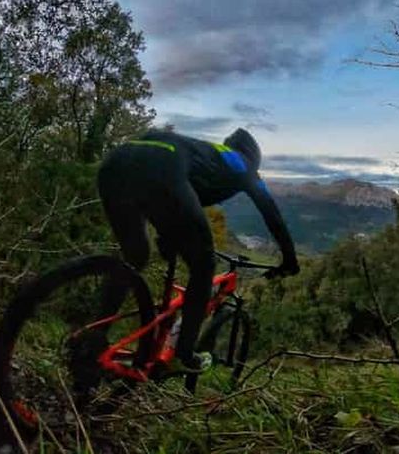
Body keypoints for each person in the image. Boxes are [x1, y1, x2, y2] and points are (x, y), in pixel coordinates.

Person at [95, 127, 299, 374]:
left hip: (116, 162)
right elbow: (272, 214)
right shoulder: (243, 165)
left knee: (135, 256)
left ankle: (94, 336)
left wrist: (167, 235)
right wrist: (290, 259)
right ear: (254, 157)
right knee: (204, 266)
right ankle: (183, 353)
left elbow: (165, 198)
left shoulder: (210, 153)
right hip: (163, 167)